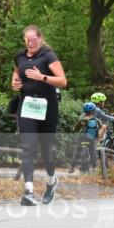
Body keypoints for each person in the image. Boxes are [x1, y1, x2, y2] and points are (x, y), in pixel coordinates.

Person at [11, 25, 68, 206]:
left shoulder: (48, 56)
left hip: (47, 106)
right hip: (27, 105)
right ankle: (28, 191)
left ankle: (52, 181)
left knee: (46, 149)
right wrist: (15, 82)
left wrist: (41, 77)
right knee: (28, 145)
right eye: (27, 40)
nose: (30, 43)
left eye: (33, 40)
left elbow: (62, 81)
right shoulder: (19, 56)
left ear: (40, 39)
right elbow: (16, 72)